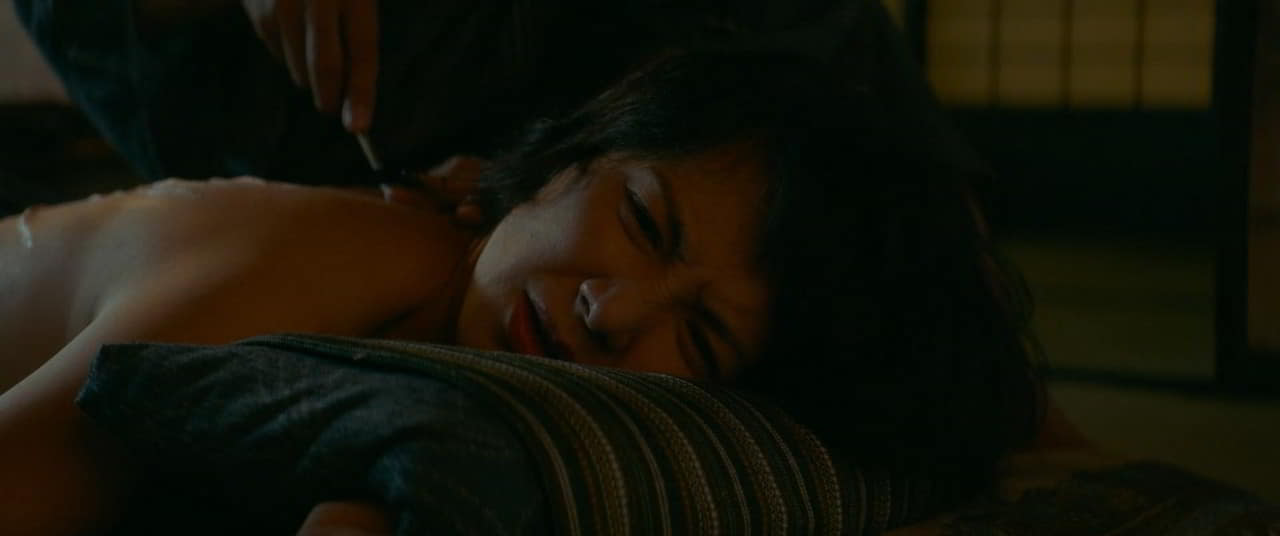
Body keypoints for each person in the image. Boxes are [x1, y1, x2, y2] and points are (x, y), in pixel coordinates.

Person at [0, 46, 1042, 534]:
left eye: (702, 337)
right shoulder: (353, 256)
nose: (613, 312)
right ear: (563, 161)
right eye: (644, 222)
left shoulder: (458, 372)